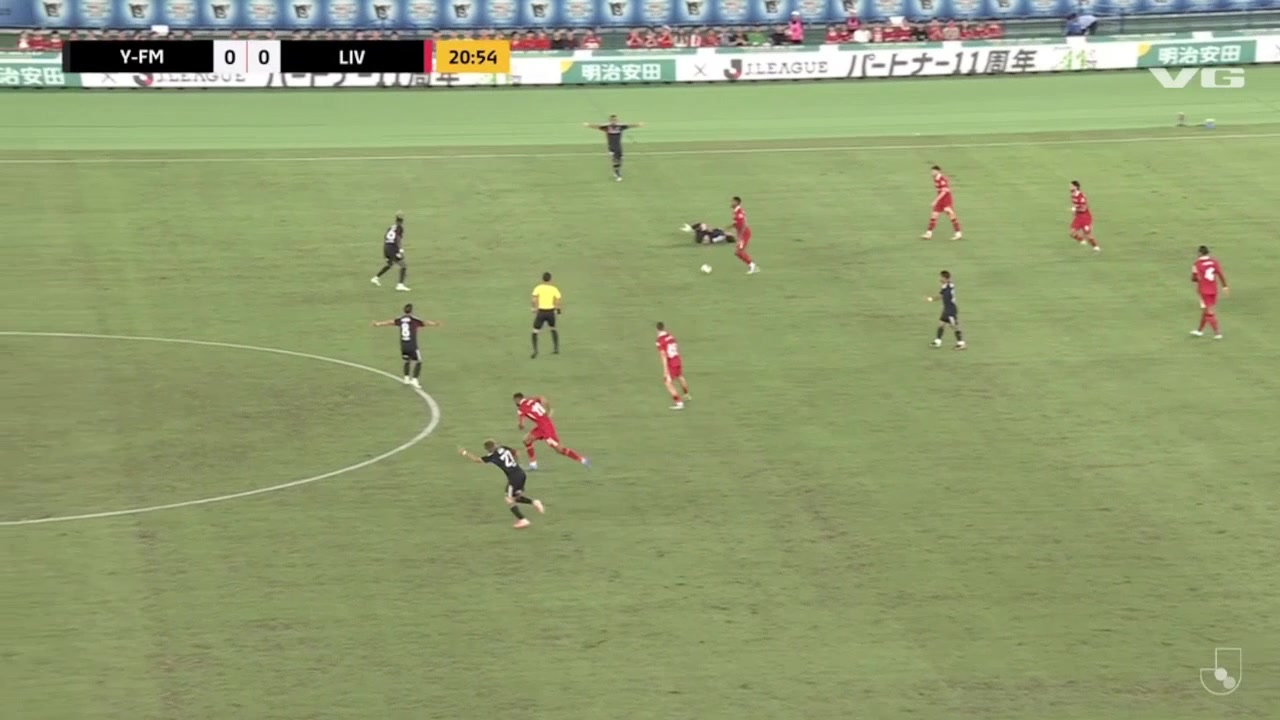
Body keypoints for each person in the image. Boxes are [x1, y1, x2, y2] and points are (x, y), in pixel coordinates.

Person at [459, 439, 545, 529]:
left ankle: (523, 520)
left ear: (488, 449)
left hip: (514, 477)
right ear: (495, 445)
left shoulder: (492, 456)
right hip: (521, 473)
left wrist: (464, 452)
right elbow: (516, 453)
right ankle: (535, 502)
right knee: (516, 497)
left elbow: (476, 460)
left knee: (509, 499)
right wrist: (515, 463)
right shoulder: (503, 448)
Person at [513, 392, 590, 469]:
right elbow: (542, 398)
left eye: (514, 401)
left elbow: (522, 425)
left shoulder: (521, 409)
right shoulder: (531, 400)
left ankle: (583, 460)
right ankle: (533, 465)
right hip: (542, 426)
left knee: (560, 450)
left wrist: (520, 426)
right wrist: (549, 410)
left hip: (546, 429)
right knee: (526, 440)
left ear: (517, 400)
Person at [372, 303, 441, 387]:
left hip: (403, 345)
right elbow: (424, 323)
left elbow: (390, 322)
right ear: (411, 311)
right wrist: (435, 324)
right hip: (412, 345)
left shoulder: (400, 320)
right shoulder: (414, 320)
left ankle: (406, 378)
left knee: (407, 360)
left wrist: (378, 324)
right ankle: (414, 380)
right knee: (419, 361)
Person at [584, 115, 643, 181]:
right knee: (615, 160)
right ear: (610, 121)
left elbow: (629, 126)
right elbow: (597, 126)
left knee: (620, 160)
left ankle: (617, 171)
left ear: (617, 120)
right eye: (612, 120)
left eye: (615, 120)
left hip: (618, 147)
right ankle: (618, 174)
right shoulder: (607, 127)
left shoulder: (620, 127)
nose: (613, 121)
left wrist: (638, 125)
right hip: (611, 147)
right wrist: (588, 125)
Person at [1190, 246, 1228, 339]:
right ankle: (1199, 331)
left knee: (1209, 312)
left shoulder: (1197, 264)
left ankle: (1217, 333)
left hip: (1204, 291)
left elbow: (1193, 278)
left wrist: (1197, 279)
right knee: (1206, 310)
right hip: (1213, 290)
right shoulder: (1214, 262)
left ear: (1200, 253)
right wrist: (1224, 286)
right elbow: (1220, 274)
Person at [371, 213, 410, 291]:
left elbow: (386, 237)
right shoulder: (400, 228)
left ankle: (375, 278)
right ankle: (400, 285)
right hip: (393, 249)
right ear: (402, 221)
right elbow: (398, 239)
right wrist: (400, 250)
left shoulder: (391, 227)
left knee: (390, 264)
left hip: (386, 247)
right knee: (403, 266)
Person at [926, 271, 965, 350]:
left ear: (945, 278)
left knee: (954, 326)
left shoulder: (949, 286)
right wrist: (932, 299)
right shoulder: (945, 286)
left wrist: (931, 299)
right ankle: (938, 342)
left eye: (941, 277)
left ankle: (961, 344)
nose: (940, 279)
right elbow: (941, 295)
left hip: (950, 310)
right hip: (946, 309)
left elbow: (942, 295)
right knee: (941, 324)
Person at [655, 322, 690, 409]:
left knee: (667, 382)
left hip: (671, 362)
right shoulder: (670, 336)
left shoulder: (659, 341)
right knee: (680, 376)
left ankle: (679, 403)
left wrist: (665, 371)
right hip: (677, 359)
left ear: (657, 330)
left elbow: (663, 356)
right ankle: (686, 394)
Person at [922, 166, 962, 240]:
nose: (932, 172)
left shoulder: (941, 179)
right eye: (932, 171)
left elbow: (944, 191)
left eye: (933, 171)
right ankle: (928, 233)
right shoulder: (936, 178)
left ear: (938, 171)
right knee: (934, 215)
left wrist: (935, 200)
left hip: (946, 200)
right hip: (941, 200)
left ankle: (958, 233)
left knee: (951, 215)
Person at [530, 271, 561, 358]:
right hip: (550, 312)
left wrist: (533, 308)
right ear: (550, 279)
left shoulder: (538, 288)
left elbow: (534, 300)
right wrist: (558, 309)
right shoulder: (554, 289)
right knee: (553, 329)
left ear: (542, 279)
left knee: (535, 331)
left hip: (541, 312)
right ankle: (556, 348)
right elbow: (558, 299)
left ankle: (535, 351)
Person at [1069, 180, 1100, 251]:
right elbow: (1074, 204)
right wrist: (1074, 212)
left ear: (1076, 187)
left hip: (1085, 217)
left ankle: (1096, 248)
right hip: (1078, 217)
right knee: (1072, 233)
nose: (1070, 187)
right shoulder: (1073, 195)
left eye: (1071, 186)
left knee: (1088, 236)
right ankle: (1081, 241)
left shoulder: (1081, 196)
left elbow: (1084, 208)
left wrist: (1075, 209)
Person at [731, 196, 759, 273]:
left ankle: (753, 266)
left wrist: (740, 237)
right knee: (737, 253)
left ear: (736, 202)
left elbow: (743, 224)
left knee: (739, 252)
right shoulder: (736, 211)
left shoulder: (739, 211)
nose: (731, 203)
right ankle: (752, 265)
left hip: (744, 234)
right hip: (742, 234)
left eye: (732, 201)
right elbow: (737, 223)